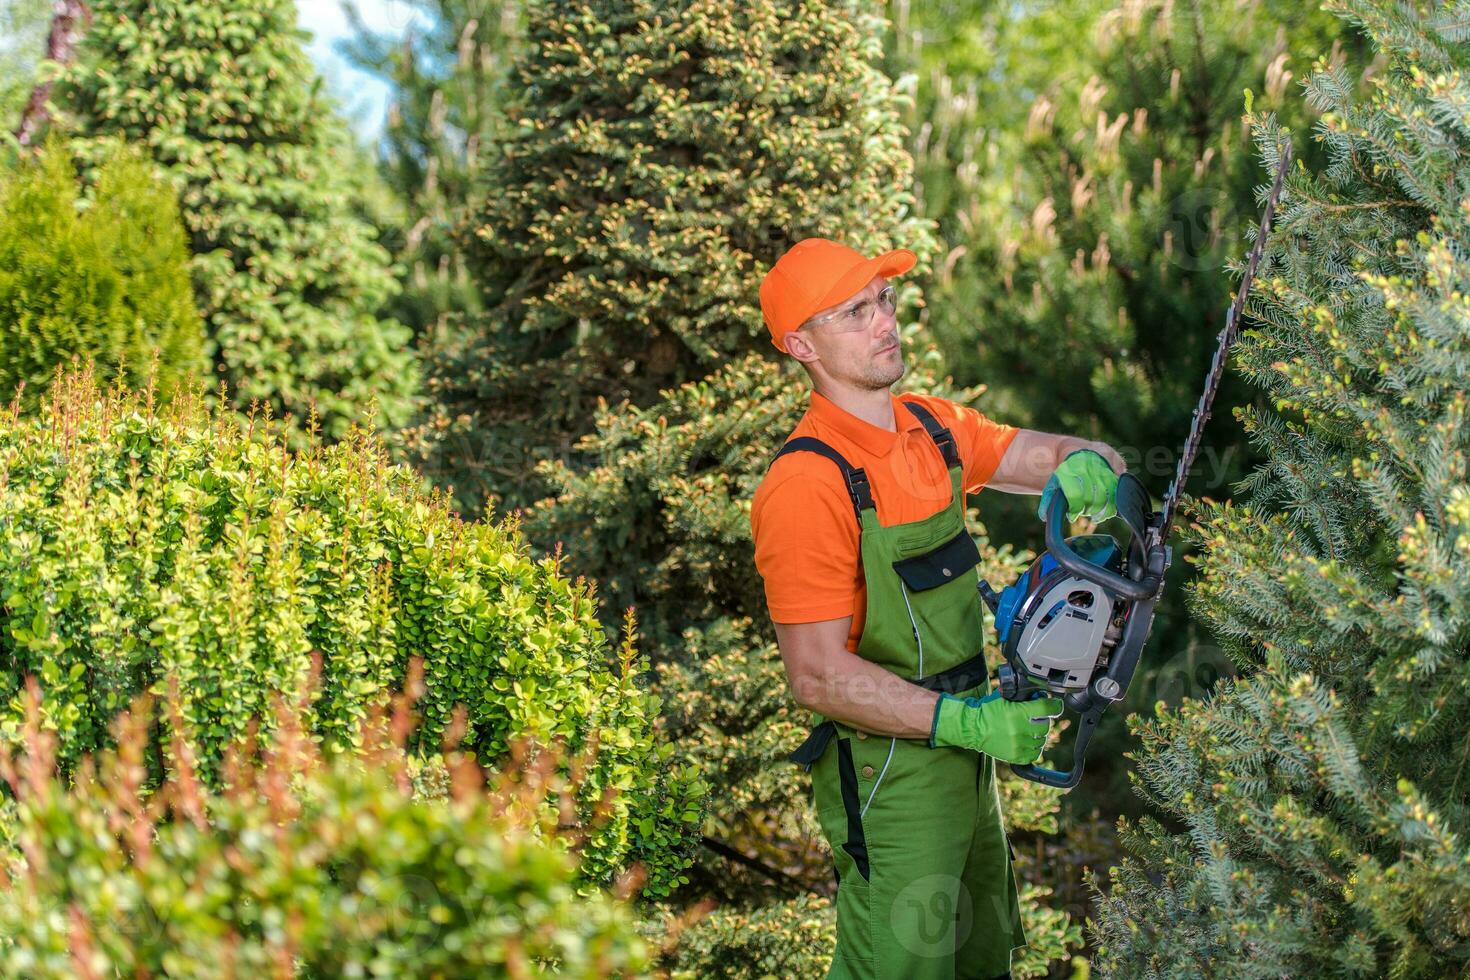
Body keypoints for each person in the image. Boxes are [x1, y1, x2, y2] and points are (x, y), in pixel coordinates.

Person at [750, 238, 1125, 980]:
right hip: (891, 777)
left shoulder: (933, 427)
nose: (884, 321)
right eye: (855, 311)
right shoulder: (806, 485)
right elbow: (817, 676)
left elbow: (1052, 455)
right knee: (901, 967)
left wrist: (1088, 463)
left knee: (981, 955)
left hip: (968, 760)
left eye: (884, 301)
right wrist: (962, 723)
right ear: (802, 344)